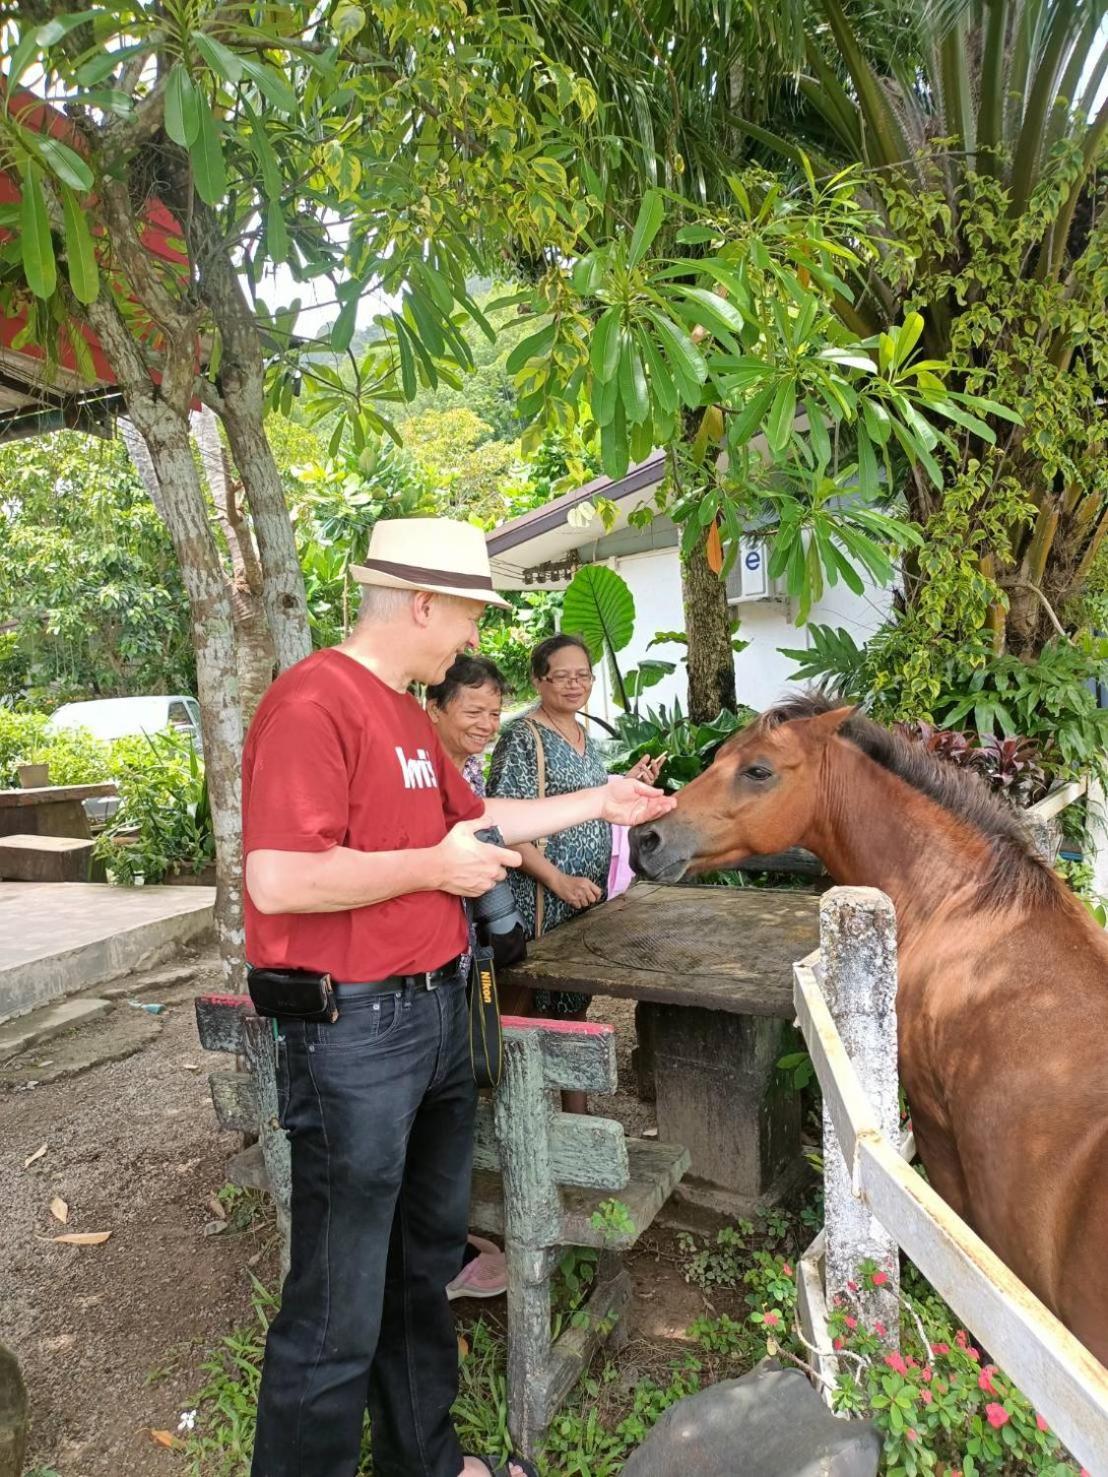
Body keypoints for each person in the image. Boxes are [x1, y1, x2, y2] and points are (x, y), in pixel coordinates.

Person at [242, 517, 674, 1477]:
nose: (473, 640)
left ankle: (424, 1460)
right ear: (424, 602)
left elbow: (476, 818)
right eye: (471, 616)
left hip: (436, 1019)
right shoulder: (314, 701)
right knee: (337, 1294)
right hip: (353, 1030)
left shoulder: (406, 713)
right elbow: (278, 878)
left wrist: (598, 801)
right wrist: (430, 868)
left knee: (420, 1264)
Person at [487, 635, 662, 1114]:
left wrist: (630, 784)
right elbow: (500, 825)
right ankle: (511, 1111)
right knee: (526, 1005)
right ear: (539, 680)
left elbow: (590, 801)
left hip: (582, 898)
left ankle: (574, 1109)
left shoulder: (584, 735)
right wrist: (556, 880)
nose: (574, 684)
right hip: (540, 897)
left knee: (572, 1000)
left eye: (583, 675)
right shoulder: (523, 737)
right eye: (561, 675)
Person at [426, 653, 512, 1303]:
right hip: (422, 973)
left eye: (494, 711)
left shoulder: (463, 769)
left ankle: (445, 1241)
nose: (487, 722)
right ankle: (442, 1256)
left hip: (451, 959)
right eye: (473, 710)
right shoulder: (423, 773)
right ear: (435, 707)